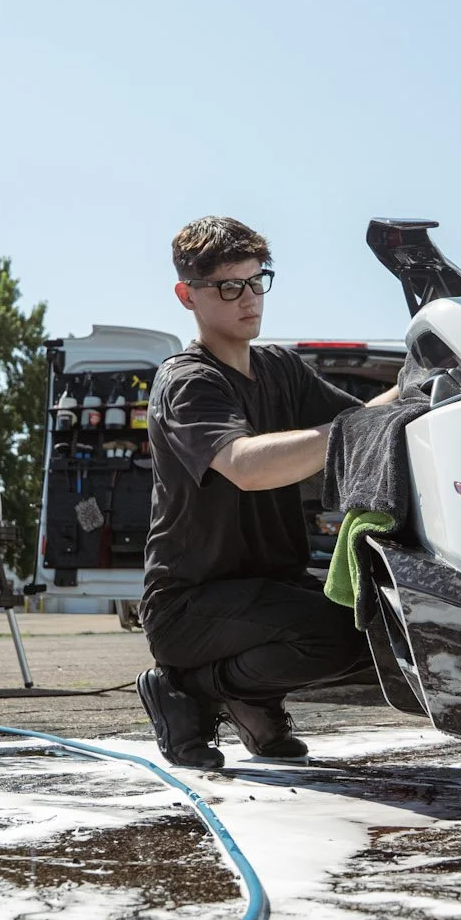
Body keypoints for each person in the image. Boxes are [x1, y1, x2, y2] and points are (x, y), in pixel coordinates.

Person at [135, 216, 397, 768]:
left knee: (384, 626)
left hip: (268, 589)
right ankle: (195, 688)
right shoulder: (187, 382)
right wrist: (346, 434)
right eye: (230, 287)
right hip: (190, 605)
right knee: (339, 635)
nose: (249, 299)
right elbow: (244, 465)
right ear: (187, 295)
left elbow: (360, 423)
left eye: (257, 281)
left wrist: (421, 381)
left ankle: (243, 692)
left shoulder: (279, 368)